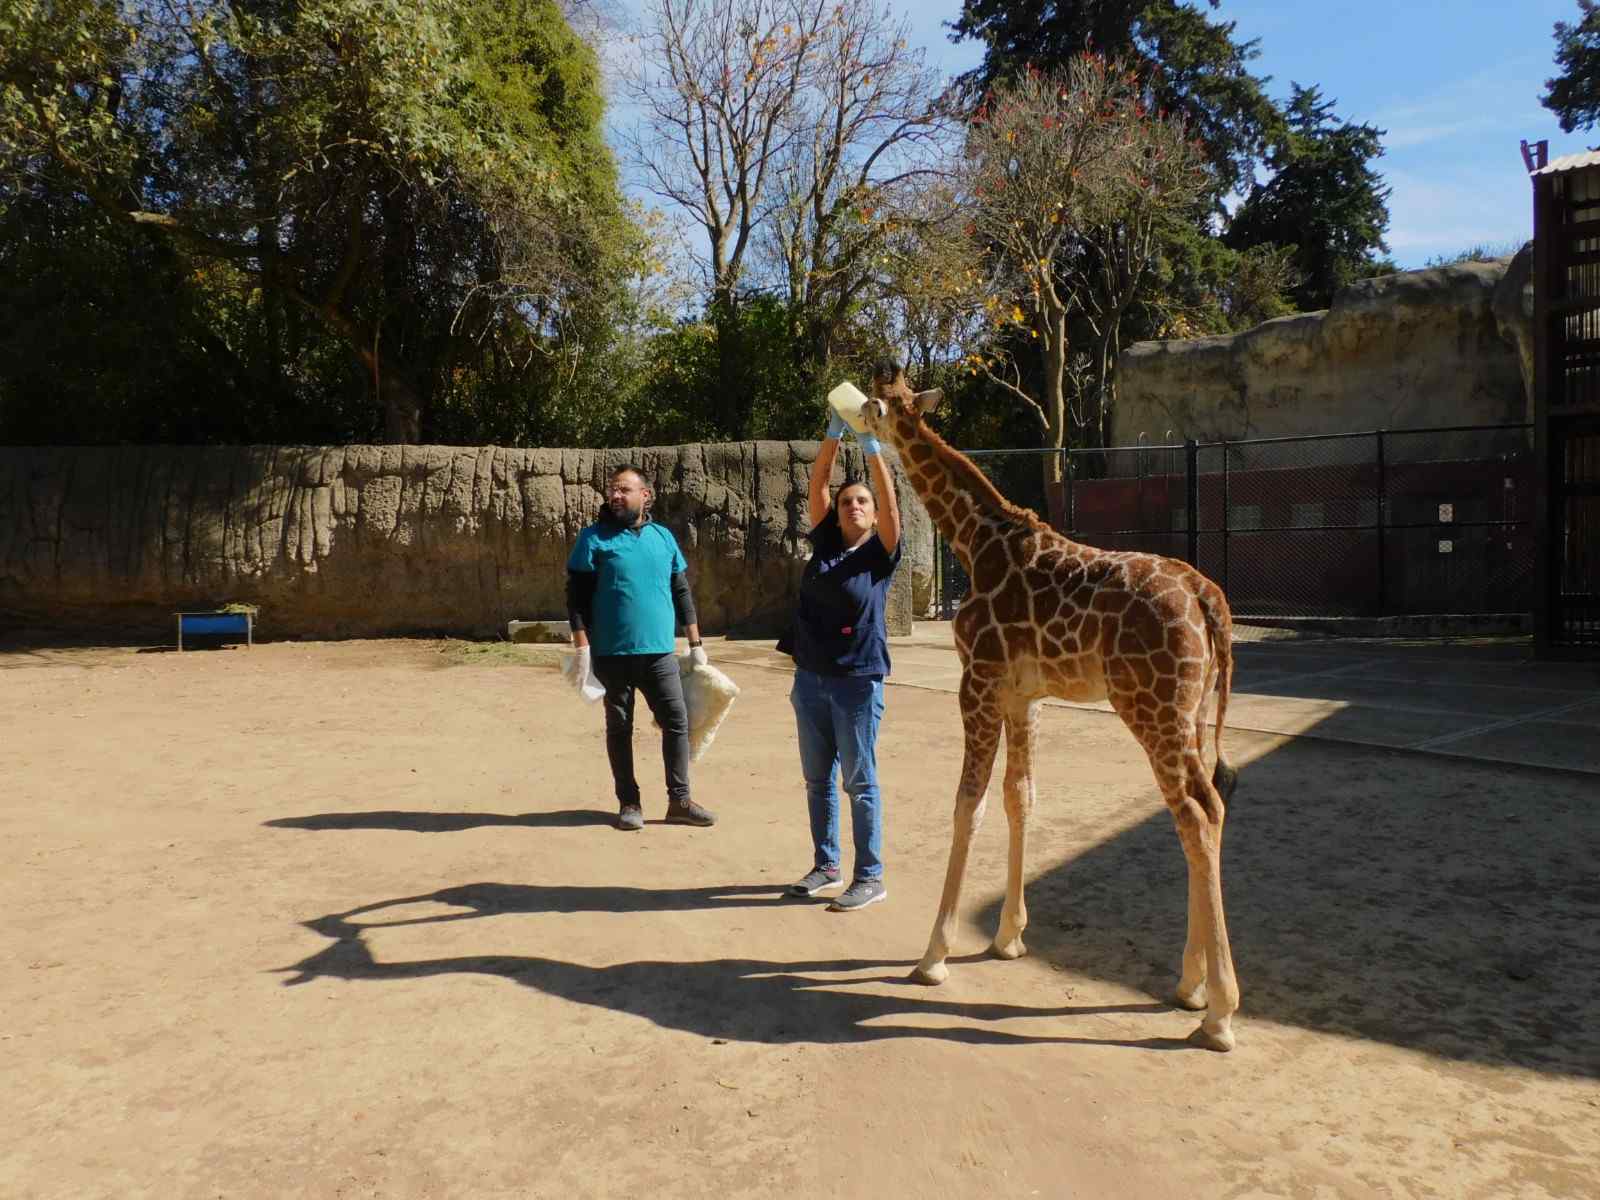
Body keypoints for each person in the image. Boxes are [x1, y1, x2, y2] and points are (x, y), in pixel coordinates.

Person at [778, 411, 902, 911]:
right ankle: (826, 866)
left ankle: (869, 875)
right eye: (847, 500)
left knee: (859, 781)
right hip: (810, 679)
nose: (853, 505)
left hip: (856, 682)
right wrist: (833, 433)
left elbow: (891, 500)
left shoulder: (882, 552)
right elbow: (818, 483)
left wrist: (870, 444)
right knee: (817, 779)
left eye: (862, 502)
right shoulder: (826, 542)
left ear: (874, 515)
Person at [566, 465, 716, 832]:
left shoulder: (663, 537)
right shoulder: (593, 539)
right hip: (611, 654)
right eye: (612, 490)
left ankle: (679, 800)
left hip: (660, 654)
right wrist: (582, 645)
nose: (616, 496)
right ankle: (628, 803)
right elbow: (575, 597)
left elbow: (681, 590)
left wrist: (696, 642)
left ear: (645, 495)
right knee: (620, 727)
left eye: (624, 490)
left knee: (676, 723)